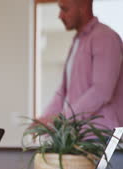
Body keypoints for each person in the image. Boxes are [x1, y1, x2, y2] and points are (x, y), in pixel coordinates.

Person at [38, 0, 123, 128]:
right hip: (80, 136)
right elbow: (63, 91)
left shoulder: (105, 37)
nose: (59, 16)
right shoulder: (78, 41)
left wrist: (63, 118)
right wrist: (43, 120)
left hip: (101, 137)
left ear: (83, 7)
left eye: (64, 9)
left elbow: (101, 91)